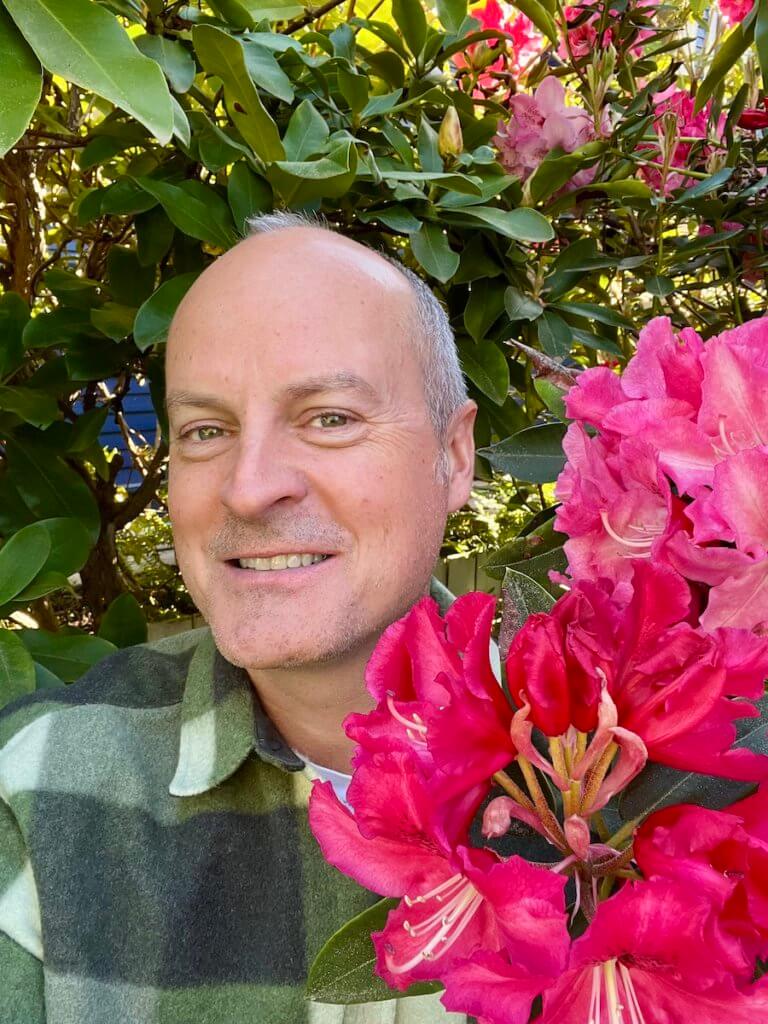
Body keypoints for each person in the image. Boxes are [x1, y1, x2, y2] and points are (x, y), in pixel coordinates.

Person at [0, 213, 478, 1023]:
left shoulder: (637, 772)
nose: (250, 486)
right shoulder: (42, 787)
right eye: (206, 431)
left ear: (454, 455)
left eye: (330, 417)